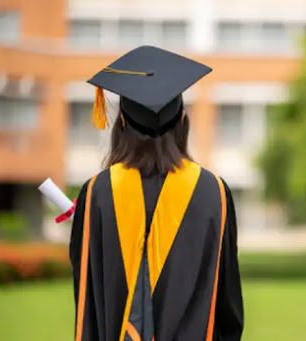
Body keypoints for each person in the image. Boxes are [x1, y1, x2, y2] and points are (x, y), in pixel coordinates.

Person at [69, 46, 244, 341]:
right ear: (182, 121)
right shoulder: (213, 192)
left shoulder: (98, 193)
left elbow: (87, 301)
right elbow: (227, 309)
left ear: (121, 122)